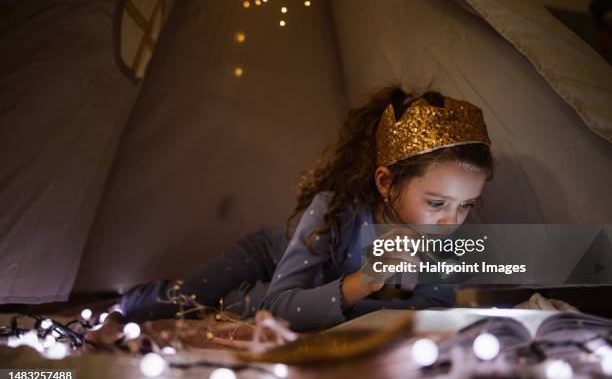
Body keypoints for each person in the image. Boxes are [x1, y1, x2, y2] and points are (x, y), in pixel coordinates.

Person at [111, 85, 494, 333]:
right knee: (175, 302)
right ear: (386, 183)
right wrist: (364, 283)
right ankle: (120, 303)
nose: (450, 221)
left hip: (298, 293)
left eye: (466, 207)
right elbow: (281, 305)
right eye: (437, 203)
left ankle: (245, 298)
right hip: (270, 256)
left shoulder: (442, 249)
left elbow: (425, 316)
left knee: (247, 308)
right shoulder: (335, 210)